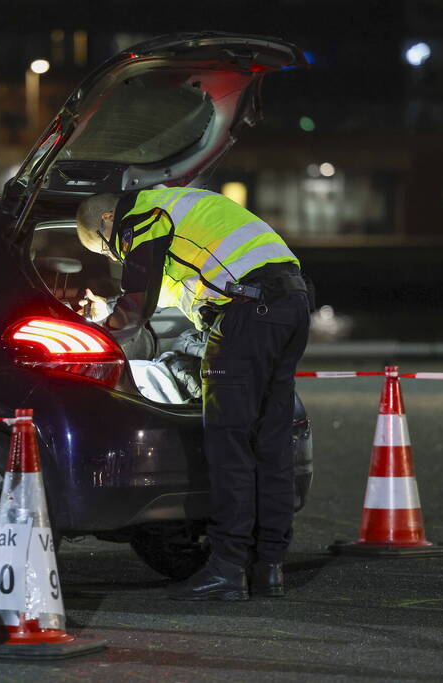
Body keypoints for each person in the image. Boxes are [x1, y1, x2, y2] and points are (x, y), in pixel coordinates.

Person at [75, 188, 310, 601]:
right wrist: (106, 307)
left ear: (109, 220)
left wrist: (99, 331)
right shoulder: (182, 216)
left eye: (105, 247)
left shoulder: (143, 216)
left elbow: (136, 304)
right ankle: (268, 567)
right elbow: (162, 288)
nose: (115, 257)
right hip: (290, 303)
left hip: (246, 315)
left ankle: (227, 569)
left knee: (229, 446)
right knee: (270, 444)